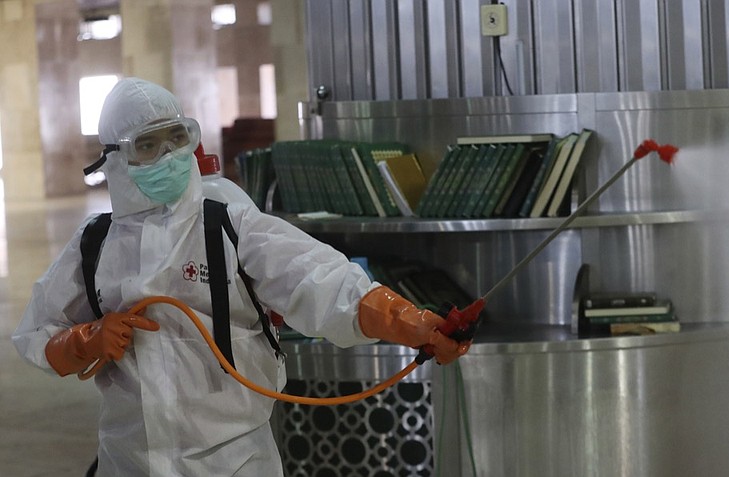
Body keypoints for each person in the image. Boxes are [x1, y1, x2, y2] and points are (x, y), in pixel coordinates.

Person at [12, 77, 470, 476]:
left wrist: (412, 322)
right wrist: (85, 341)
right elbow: (36, 332)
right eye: (148, 146)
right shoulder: (95, 245)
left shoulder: (228, 225)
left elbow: (322, 281)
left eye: (177, 138)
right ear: (114, 159)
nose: (169, 156)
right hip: (130, 462)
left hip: (234, 462)